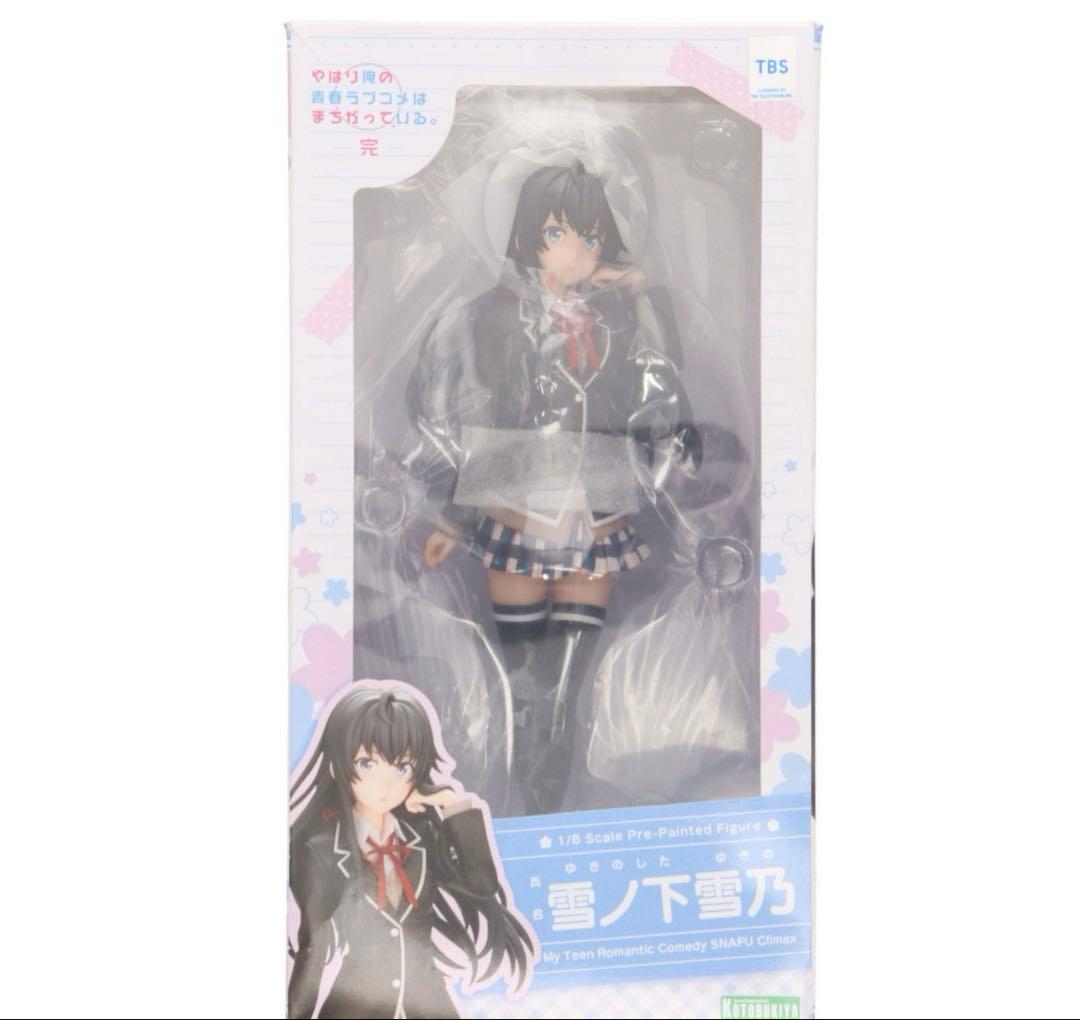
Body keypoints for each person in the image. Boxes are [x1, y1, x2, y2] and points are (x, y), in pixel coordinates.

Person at [408, 159, 701, 813]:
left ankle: (554, 762)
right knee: (519, 664)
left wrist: (642, 292)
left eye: (590, 238)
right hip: (512, 501)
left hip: (596, 504)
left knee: (570, 666)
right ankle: (519, 761)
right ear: (524, 238)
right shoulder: (488, 318)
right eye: (557, 234)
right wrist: (452, 518)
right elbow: (454, 412)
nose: (576, 251)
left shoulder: (621, 323)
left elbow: (665, 376)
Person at [288, 682, 534, 1018]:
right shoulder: (321, 851)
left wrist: (452, 806)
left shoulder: (420, 838)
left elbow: (481, 883)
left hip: (428, 1006)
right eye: (366, 764)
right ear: (337, 767)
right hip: (357, 1007)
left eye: (402, 767)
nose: (386, 784)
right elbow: (314, 947)